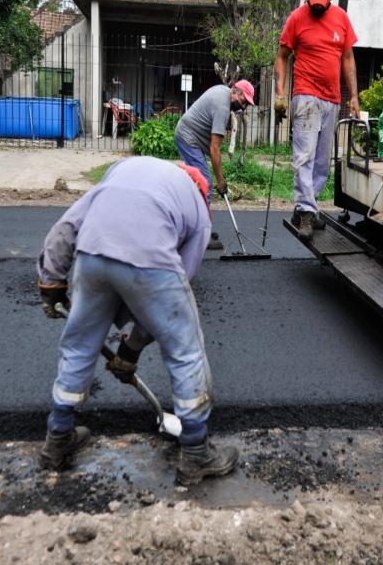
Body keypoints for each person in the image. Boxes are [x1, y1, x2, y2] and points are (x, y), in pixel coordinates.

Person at [36, 156, 238, 486]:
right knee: (185, 350)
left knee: (78, 346)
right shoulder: (200, 213)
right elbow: (169, 306)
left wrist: (51, 282)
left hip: (92, 255)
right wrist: (132, 349)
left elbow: (67, 227)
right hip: (151, 260)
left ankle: (57, 439)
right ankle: (197, 453)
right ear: (202, 192)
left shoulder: (122, 171)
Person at [274, 0, 360, 240]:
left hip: (332, 99)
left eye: (322, 1)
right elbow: (282, 56)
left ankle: (305, 208)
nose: (317, 5)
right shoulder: (297, 18)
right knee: (304, 157)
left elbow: (347, 58)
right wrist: (280, 91)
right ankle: (308, 212)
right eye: (313, 1)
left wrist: (354, 95)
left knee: (322, 163)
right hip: (306, 96)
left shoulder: (342, 18)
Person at [175, 80, 256, 250]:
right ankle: (201, 236)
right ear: (236, 92)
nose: (243, 108)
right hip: (188, 138)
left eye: (247, 105)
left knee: (196, 185)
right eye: (243, 102)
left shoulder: (222, 91)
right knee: (205, 183)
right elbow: (214, 149)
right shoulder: (222, 108)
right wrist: (221, 181)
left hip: (189, 135)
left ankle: (194, 228)